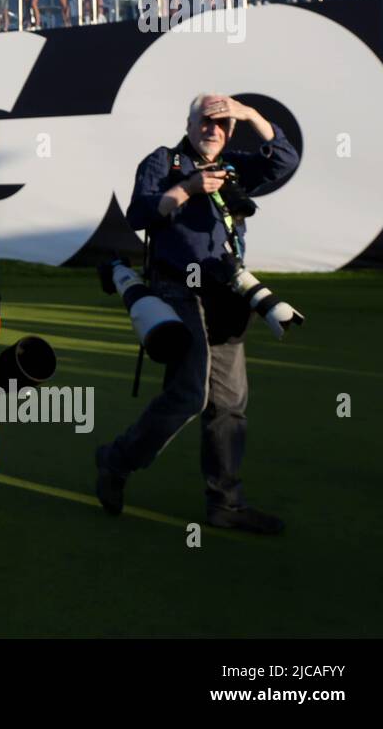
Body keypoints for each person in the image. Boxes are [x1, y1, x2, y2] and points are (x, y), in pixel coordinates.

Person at [95, 93, 299, 534]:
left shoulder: (236, 164)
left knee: (229, 403)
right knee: (190, 394)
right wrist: (187, 189)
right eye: (206, 121)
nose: (214, 129)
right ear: (189, 124)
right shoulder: (164, 160)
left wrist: (248, 113)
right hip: (176, 289)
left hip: (227, 293)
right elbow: (141, 214)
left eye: (223, 124)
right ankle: (116, 459)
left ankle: (225, 503)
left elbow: (284, 160)